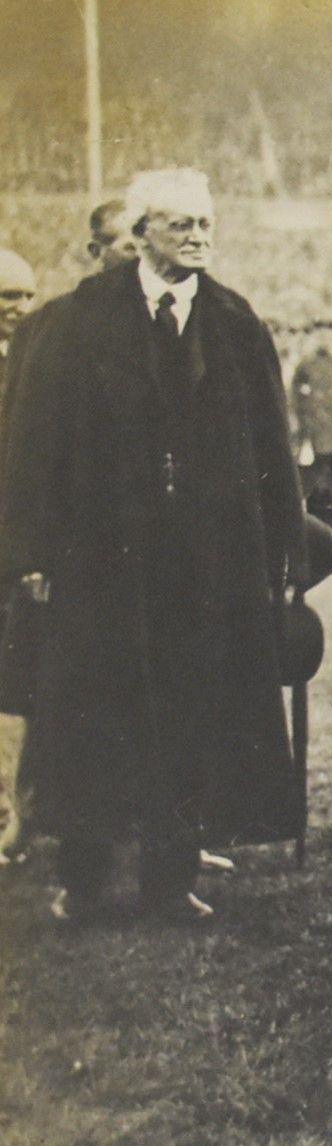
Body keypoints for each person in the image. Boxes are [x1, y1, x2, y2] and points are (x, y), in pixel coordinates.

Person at [0, 167, 307, 923]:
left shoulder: (235, 323)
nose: (197, 237)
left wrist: (283, 555)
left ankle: (171, 883)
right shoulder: (78, 320)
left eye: (205, 224)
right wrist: (30, 554)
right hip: (100, 562)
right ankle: (83, 879)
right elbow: (35, 445)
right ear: (140, 236)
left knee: (191, 715)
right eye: (179, 225)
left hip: (204, 568)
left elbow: (272, 445)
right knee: (90, 717)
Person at [0, 248, 35, 867]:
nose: (19, 310)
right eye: (7, 298)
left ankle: (16, 813)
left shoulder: (36, 363)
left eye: (26, 297)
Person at [291, 319, 332, 509]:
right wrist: (298, 412)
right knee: (312, 462)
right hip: (312, 419)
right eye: (319, 334)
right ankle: (315, 500)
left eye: (328, 334)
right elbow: (295, 390)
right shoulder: (306, 362)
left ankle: (331, 501)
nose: (324, 339)